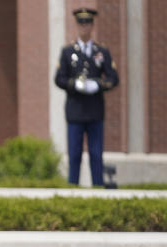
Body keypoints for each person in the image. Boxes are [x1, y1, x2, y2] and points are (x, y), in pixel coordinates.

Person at [54, 8, 119, 187]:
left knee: (96, 154)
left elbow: (113, 78)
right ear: (77, 25)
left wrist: (98, 84)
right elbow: (59, 79)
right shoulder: (67, 52)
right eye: (81, 23)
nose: (84, 27)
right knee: (74, 154)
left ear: (92, 25)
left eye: (88, 23)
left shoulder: (101, 51)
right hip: (75, 111)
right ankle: (73, 189)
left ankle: (97, 188)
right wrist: (74, 84)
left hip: (95, 111)